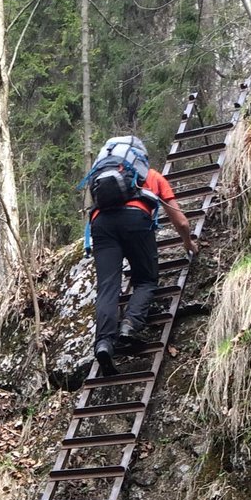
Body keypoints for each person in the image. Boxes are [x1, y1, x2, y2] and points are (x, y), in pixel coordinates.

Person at [89, 138, 198, 376]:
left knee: (108, 287)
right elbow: (179, 220)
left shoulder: (101, 177)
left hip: (101, 224)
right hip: (135, 220)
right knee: (146, 279)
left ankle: (104, 343)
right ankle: (129, 325)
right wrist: (188, 242)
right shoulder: (150, 175)